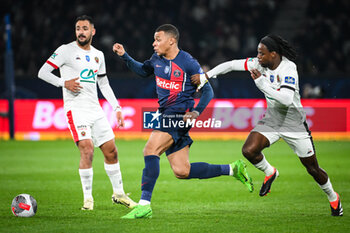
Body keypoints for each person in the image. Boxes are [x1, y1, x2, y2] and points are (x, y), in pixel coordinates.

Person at [113, 24, 254, 219]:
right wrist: (125, 56)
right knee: (182, 170)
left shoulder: (188, 63)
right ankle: (232, 169)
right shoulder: (156, 59)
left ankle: (144, 204)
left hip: (179, 115)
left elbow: (208, 91)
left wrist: (196, 112)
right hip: (167, 115)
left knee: (150, 150)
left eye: (158, 39)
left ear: (171, 40)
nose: (154, 43)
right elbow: (143, 71)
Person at [198, 34, 343, 216]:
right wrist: (207, 75)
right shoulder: (260, 63)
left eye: (262, 54)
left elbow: (286, 99)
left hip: (294, 124)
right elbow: (232, 64)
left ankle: (333, 197)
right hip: (273, 119)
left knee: (312, 169)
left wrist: (261, 83)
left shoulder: (288, 68)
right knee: (249, 150)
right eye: (258, 53)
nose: (258, 57)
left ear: (273, 54)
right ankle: (270, 171)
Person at [38, 15, 136, 210]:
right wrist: (63, 82)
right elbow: (43, 72)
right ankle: (88, 201)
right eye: (77, 28)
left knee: (112, 151)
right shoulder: (65, 50)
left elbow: (104, 83)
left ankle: (119, 194)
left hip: (95, 109)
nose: (80, 32)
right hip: (76, 109)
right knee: (87, 149)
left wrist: (116, 107)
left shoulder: (98, 54)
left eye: (84, 28)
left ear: (93, 31)